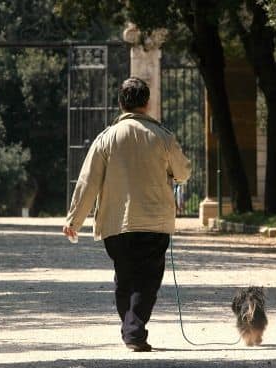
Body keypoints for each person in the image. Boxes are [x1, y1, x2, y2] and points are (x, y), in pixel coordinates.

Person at [63, 77, 191, 352]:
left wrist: (74, 220)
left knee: (124, 277)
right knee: (148, 280)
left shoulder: (106, 138)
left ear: (121, 104)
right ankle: (134, 330)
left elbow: (88, 182)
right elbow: (183, 172)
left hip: (116, 224)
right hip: (154, 223)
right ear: (147, 103)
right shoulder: (162, 136)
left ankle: (131, 328)